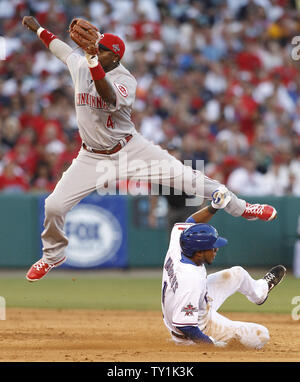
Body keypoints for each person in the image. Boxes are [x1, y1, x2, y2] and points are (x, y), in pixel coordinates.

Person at [22, 16, 277, 282]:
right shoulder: (81, 63)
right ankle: (53, 256)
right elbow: (61, 48)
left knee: (189, 179)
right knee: (53, 205)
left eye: (102, 50)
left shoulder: (125, 79)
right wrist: (39, 29)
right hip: (92, 156)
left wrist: (93, 61)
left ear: (115, 57)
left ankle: (243, 207)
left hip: (131, 149)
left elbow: (108, 97)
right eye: (96, 48)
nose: (95, 51)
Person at [161, 190, 286, 349]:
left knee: (237, 274)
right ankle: (202, 345)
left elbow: (191, 220)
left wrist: (214, 207)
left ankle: (260, 293)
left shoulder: (180, 242)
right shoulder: (189, 280)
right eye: (212, 248)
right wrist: (212, 345)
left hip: (198, 301)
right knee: (261, 335)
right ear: (199, 253)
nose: (216, 250)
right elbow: (186, 327)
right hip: (196, 329)